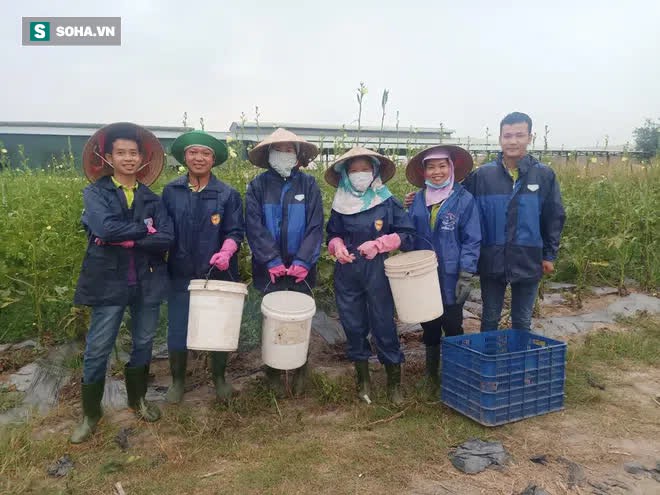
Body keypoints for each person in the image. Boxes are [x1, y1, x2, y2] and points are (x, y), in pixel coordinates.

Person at [71, 122, 173, 443]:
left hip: (147, 281)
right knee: (98, 346)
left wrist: (125, 238)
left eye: (133, 152)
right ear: (109, 157)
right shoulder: (96, 192)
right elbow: (105, 229)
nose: (128, 158)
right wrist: (145, 233)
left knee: (143, 342)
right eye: (121, 153)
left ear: (142, 158)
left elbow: (167, 238)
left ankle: (137, 399)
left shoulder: (153, 199)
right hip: (109, 282)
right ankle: (91, 414)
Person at [325, 147, 415, 405]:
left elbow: (406, 233)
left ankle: (393, 383)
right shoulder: (341, 203)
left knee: (383, 323)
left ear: (374, 171)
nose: (360, 174)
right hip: (347, 269)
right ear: (345, 174)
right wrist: (337, 247)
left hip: (377, 269)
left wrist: (379, 244)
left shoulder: (386, 201)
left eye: (365, 169)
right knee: (353, 324)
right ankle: (363, 381)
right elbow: (333, 233)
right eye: (354, 170)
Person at [462, 112, 566, 331]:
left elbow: (553, 216)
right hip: (492, 255)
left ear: (530, 137)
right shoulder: (482, 175)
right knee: (490, 316)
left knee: (522, 319)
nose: (513, 141)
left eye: (519, 135)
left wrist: (549, 255)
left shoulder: (544, 175)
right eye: (507, 135)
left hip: (528, 256)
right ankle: (488, 360)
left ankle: (518, 360)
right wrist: (422, 198)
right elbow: (457, 202)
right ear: (500, 138)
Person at [162, 130, 244, 403]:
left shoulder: (227, 194)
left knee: (218, 326)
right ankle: (177, 381)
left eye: (205, 153)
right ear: (184, 157)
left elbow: (235, 231)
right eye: (193, 153)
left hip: (217, 273)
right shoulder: (171, 191)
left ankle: (219, 378)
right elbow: (164, 230)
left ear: (214, 159)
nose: (199, 158)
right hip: (180, 272)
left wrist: (226, 250)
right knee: (178, 327)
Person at [245, 128, 324, 397]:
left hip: (302, 269)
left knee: (300, 319)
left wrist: (304, 260)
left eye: (290, 150)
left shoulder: (308, 186)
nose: (284, 154)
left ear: (298, 155)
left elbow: (315, 226)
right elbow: (254, 226)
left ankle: (301, 367)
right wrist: (271, 259)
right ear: (269, 154)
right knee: (272, 319)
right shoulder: (257, 186)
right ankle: (274, 372)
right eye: (279, 150)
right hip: (270, 270)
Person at [405, 145, 481, 393]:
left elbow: (472, 239)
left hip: (452, 274)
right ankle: (430, 375)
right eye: (431, 166)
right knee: (429, 323)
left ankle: (456, 374)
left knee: (452, 323)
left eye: (442, 165)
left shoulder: (464, 199)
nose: (437, 172)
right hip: (423, 275)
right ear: (423, 171)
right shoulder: (416, 200)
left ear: (451, 167)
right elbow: (409, 235)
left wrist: (466, 273)